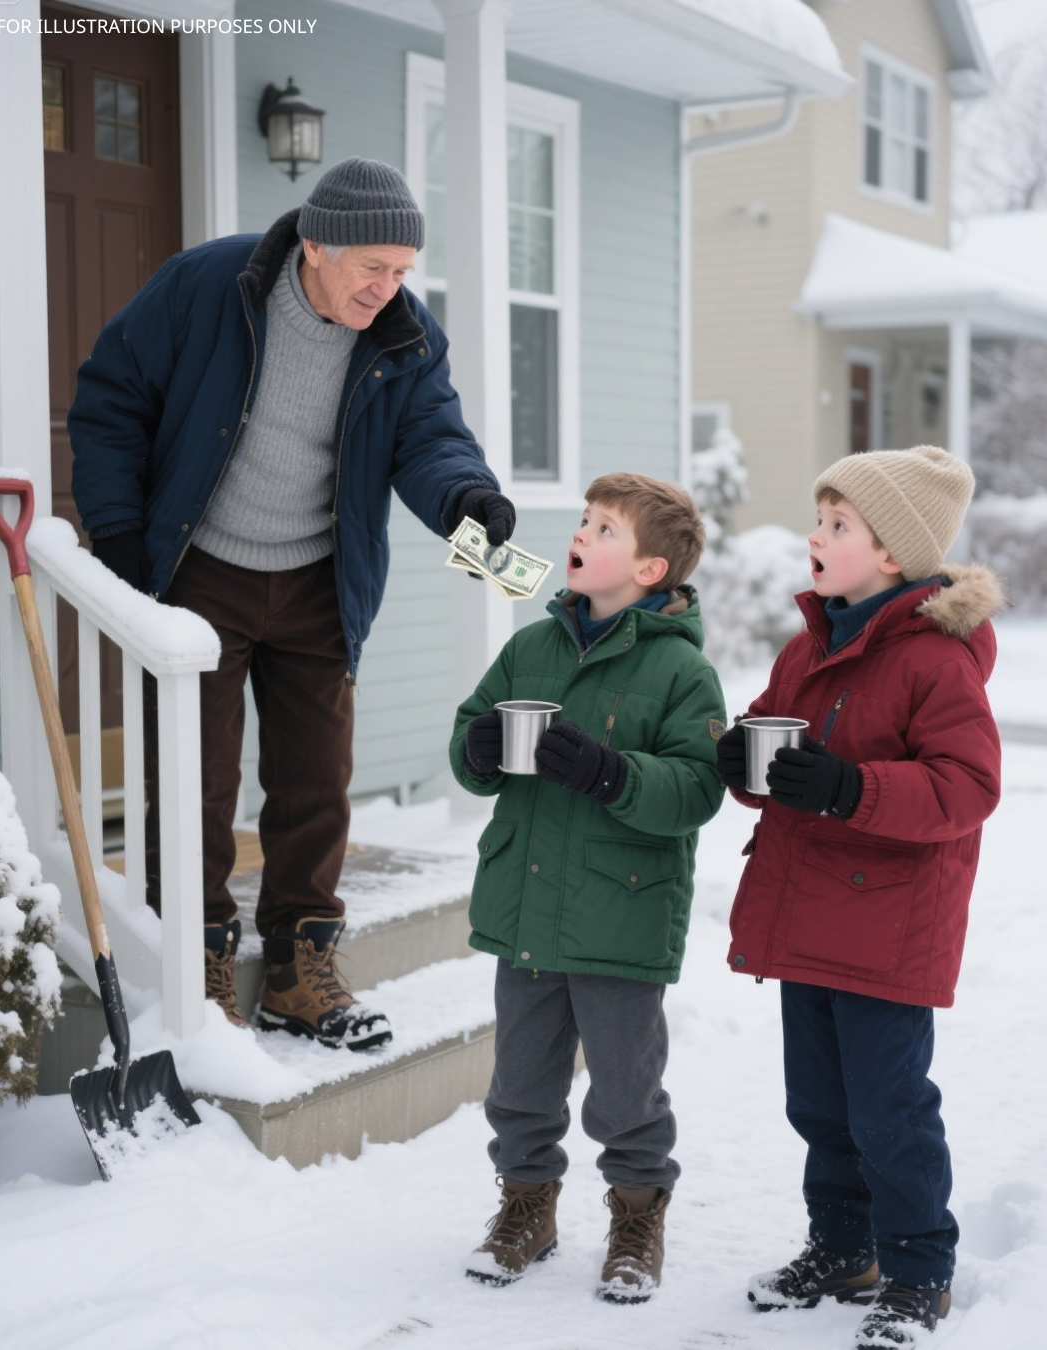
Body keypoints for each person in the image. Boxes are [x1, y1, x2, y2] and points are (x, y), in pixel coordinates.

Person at [69, 157, 515, 1047]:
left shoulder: (403, 336)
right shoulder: (210, 287)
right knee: (196, 780)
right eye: (372, 269)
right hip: (201, 572)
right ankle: (192, 959)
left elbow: (431, 437)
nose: (388, 290)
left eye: (401, 272)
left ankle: (299, 968)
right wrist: (121, 541)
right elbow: (111, 397)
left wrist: (468, 498)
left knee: (316, 781)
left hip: (319, 579)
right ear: (317, 245)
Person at [715, 447, 1003, 1348]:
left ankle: (919, 1270)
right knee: (821, 1103)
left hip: (888, 928)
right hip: (811, 916)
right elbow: (784, 749)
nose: (816, 535)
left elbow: (968, 787)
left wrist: (849, 789)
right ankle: (842, 1250)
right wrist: (745, 766)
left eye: (839, 524)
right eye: (821, 517)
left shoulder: (934, 659)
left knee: (890, 1109)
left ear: (892, 554)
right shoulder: (813, 644)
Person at [449, 473, 725, 1303]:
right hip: (526, 905)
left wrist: (613, 774)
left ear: (648, 571)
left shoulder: (680, 670)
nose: (582, 533)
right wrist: (483, 748)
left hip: (621, 914)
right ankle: (526, 1206)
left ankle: (637, 1217)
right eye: (584, 520)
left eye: (605, 528)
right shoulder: (530, 647)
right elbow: (471, 730)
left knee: (625, 1088)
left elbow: (698, 787)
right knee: (520, 1083)